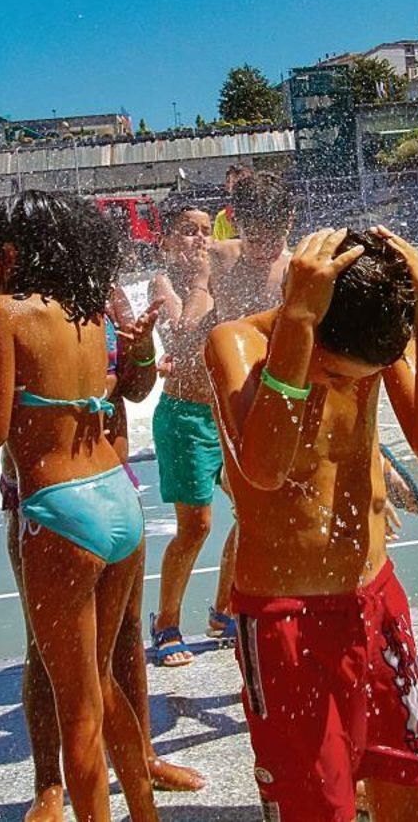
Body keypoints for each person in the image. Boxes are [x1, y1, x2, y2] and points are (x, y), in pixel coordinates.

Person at [205, 227, 418, 822]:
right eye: (339, 374)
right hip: (284, 624)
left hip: (375, 603)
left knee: (409, 786)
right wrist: (296, 324)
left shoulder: (365, 342)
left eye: (360, 377)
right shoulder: (236, 345)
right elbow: (266, 470)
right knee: (315, 809)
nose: (351, 385)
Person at [0, 190, 158, 822]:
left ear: (8, 252)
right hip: (119, 498)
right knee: (105, 683)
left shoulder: (2, 312)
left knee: (77, 705)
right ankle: (145, 812)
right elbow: (99, 387)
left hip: (58, 511)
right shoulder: (88, 314)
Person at [197, 169, 297, 642]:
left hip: (284, 395)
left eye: (274, 237)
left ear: (290, 222)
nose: (266, 248)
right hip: (235, 398)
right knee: (253, 508)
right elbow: (192, 315)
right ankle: (236, 605)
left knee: (268, 508)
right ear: (237, 223)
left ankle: (227, 608)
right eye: (256, 236)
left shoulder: (296, 266)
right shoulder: (216, 259)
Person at [146, 205, 223, 667]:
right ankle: (166, 621)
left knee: (256, 512)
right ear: (167, 243)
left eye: (206, 231)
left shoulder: (223, 275)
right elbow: (179, 338)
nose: (200, 239)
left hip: (227, 414)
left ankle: (226, 609)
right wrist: (201, 282)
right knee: (196, 526)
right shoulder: (163, 284)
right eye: (188, 232)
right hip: (185, 417)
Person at [210, 164, 251, 242]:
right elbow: (218, 249)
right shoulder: (222, 217)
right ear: (227, 187)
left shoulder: (264, 213)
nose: (239, 186)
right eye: (234, 182)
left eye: (244, 181)